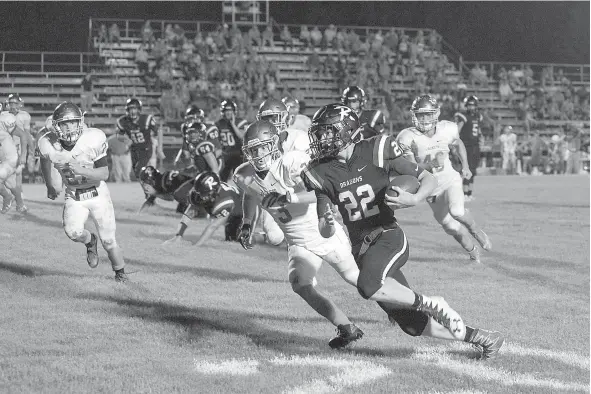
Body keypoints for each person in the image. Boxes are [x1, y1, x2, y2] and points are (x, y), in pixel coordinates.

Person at [300, 103, 504, 359]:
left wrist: (415, 199)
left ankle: (432, 303)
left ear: (347, 129)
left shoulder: (376, 149)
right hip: (361, 250)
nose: (322, 139)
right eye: (320, 133)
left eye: (328, 132)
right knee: (412, 324)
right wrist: (327, 224)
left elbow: (427, 178)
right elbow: (324, 228)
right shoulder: (320, 171)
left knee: (368, 286)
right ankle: (482, 338)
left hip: (387, 236)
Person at [234, 120, 364, 349]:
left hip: (321, 231)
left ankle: (402, 308)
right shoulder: (244, 174)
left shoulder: (291, 162)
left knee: (358, 280)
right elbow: (250, 193)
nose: (258, 154)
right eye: (253, 149)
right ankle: (346, 328)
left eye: (263, 147)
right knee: (300, 284)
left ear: (274, 144)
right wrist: (247, 221)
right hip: (297, 241)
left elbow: (324, 190)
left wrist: (289, 197)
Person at [37, 102, 128, 282]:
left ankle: (121, 275)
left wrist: (81, 170)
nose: (69, 127)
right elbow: (45, 161)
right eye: (65, 123)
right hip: (74, 194)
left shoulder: (93, 138)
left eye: (73, 122)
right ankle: (90, 241)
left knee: (109, 241)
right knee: (73, 231)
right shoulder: (47, 143)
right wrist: (49, 184)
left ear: (81, 122)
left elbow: (104, 173)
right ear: (57, 126)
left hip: (97, 192)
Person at [396, 95, 492, 264]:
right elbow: (412, 169)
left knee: (457, 211)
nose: (424, 119)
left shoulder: (446, 128)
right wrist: (431, 163)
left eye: (428, 114)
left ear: (436, 114)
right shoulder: (407, 137)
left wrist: (466, 167)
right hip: (430, 188)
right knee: (450, 226)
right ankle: (472, 251)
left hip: (450, 180)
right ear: (414, 116)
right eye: (421, 114)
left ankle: (476, 230)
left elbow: (458, 143)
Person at [116, 98, 162, 178]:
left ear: (139, 109)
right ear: (127, 110)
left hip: (146, 149)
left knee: (139, 170)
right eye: (131, 109)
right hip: (134, 149)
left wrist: (159, 148)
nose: (133, 111)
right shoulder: (123, 121)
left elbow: (158, 132)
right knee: (137, 173)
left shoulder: (146, 119)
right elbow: (119, 135)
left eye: (135, 109)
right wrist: (126, 140)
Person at [4, 93, 35, 212]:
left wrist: (30, 150)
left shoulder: (24, 116)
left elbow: (27, 134)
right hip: (5, 147)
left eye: (15, 103)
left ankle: (18, 197)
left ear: (20, 104)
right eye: (10, 103)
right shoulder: (4, 115)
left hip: (18, 148)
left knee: (17, 174)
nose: (12, 106)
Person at [454, 95, 483, 201]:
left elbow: (478, 131)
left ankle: (470, 193)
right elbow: (457, 131)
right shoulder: (463, 116)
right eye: (470, 105)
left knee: (473, 170)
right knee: (466, 169)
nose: (471, 107)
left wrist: (481, 139)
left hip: (475, 146)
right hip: (466, 146)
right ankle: (464, 193)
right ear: (467, 106)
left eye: (473, 105)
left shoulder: (478, 116)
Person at [215, 99, 248, 182]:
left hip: (238, 154)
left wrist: (233, 124)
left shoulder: (240, 122)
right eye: (226, 110)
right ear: (222, 112)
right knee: (221, 180)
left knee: (240, 180)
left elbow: (241, 136)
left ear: (234, 111)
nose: (228, 112)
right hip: (225, 155)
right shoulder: (218, 124)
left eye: (230, 110)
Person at [0, 104, 22, 213]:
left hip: (10, 158)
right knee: (9, 183)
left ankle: (7, 198)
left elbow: (22, 134)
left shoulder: (5, 118)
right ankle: (20, 205)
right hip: (5, 158)